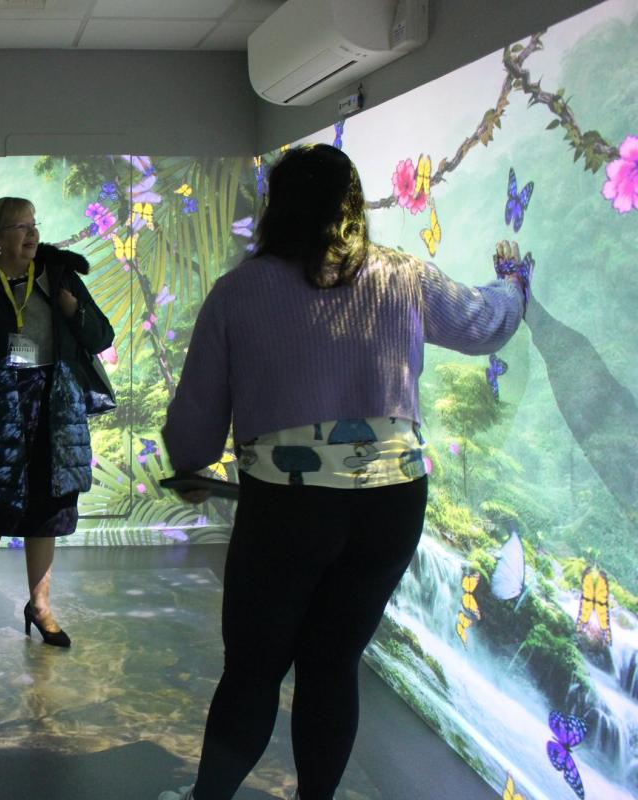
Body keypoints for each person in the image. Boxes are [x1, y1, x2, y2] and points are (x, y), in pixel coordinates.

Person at [158, 144, 530, 800]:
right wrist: (514, 284)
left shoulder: (239, 293)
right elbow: (484, 326)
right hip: (391, 505)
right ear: (352, 206)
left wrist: (191, 466)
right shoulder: (403, 276)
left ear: (278, 208)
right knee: (333, 667)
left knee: (253, 670)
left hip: (289, 510)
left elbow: (193, 432)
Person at [0, 196, 114, 659]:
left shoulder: (60, 275)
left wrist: (74, 310)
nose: (32, 233)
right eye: (20, 226)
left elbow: (102, 337)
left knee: (47, 515)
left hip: (54, 409)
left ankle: (39, 607)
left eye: (34, 224)